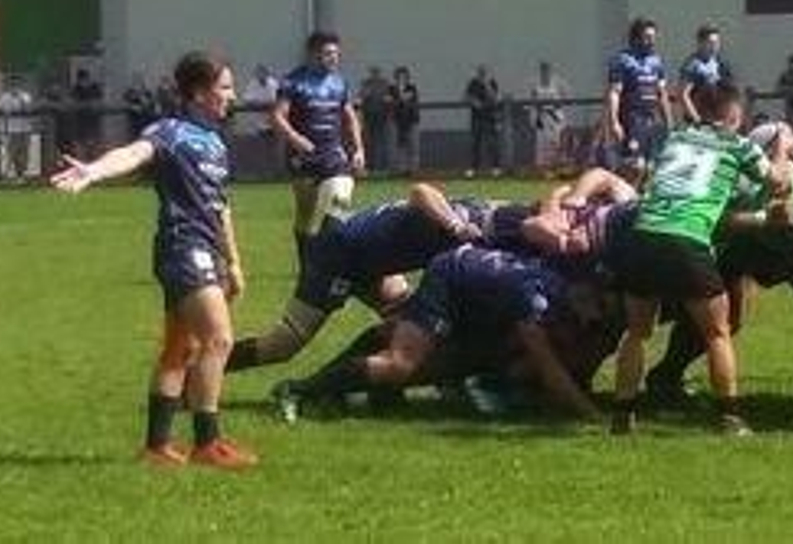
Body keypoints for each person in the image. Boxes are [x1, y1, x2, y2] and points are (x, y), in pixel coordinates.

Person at [49, 51, 257, 469]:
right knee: (219, 340)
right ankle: (207, 443)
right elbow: (132, 153)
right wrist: (92, 171)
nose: (232, 96)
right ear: (199, 93)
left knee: (181, 347)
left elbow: (221, 207)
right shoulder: (171, 132)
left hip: (205, 249)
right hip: (183, 248)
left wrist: (233, 261)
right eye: (225, 87)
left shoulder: (216, 142)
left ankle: (157, 447)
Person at [606, 83, 793, 436]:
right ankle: (730, 417)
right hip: (686, 237)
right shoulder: (738, 145)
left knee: (637, 332)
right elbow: (780, 183)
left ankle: (622, 413)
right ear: (735, 115)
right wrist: (781, 148)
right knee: (717, 332)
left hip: (644, 233)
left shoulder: (675, 138)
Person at [272, 245, 603, 424]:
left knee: (414, 347)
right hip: (450, 277)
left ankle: (346, 390)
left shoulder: (560, 289)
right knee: (402, 363)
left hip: (473, 285)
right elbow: (549, 367)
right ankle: (298, 390)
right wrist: (590, 415)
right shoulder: (536, 300)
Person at [227, 182, 483, 374]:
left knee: (406, 322)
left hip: (375, 259)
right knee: (283, 345)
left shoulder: (485, 220)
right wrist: (456, 227)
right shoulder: (473, 222)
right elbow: (421, 191)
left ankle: (370, 391)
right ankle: (205, 368)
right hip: (339, 255)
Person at [272, 31, 365, 264]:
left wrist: (358, 149)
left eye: (336, 54)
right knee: (305, 213)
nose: (334, 58)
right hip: (303, 157)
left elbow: (350, 117)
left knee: (337, 202)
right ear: (312, 54)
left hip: (333, 154)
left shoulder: (339, 82)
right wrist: (296, 139)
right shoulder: (293, 81)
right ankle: (307, 259)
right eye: (328, 53)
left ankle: (328, 257)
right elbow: (277, 116)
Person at [603, 17, 674, 177]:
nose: (652, 41)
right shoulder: (622, 60)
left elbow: (662, 93)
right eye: (647, 37)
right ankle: (622, 196)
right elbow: (614, 92)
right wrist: (614, 122)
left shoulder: (656, 61)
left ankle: (642, 198)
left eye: (654, 37)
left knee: (651, 166)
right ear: (636, 38)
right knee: (635, 165)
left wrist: (669, 122)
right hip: (631, 118)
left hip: (652, 118)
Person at [677, 23, 732, 123]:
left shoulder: (719, 63)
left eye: (717, 43)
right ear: (700, 43)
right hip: (698, 121)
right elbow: (683, 95)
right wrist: (697, 119)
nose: (714, 47)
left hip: (716, 119)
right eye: (710, 43)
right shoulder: (693, 65)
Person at [530, 61, 571, 175]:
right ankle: (544, 169)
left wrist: (557, 105)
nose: (545, 71)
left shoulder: (558, 82)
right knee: (542, 143)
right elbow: (533, 100)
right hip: (543, 117)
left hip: (555, 117)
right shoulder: (536, 84)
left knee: (556, 141)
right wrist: (537, 116)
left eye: (547, 69)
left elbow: (565, 97)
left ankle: (557, 167)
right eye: (543, 69)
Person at [0, 75, 35, 182]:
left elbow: (28, 109)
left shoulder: (25, 96)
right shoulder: (3, 97)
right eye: (12, 83)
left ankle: (21, 176)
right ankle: (5, 176)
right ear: (9, 84)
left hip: (25, 129)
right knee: (11, 153)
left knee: (24, 153)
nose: (14, 85)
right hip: (11, 130)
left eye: (16, 82)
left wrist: (20, 100)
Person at [464, 65, 503, 177]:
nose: (482, 74)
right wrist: (473, 101)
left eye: (484, 72)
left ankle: (495, 168)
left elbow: (495, 98)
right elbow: (466, 96)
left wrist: (486, 85)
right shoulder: (473, 83)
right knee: (475, 144)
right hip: (477, 118)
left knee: (492, 143)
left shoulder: (492, 82)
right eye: (480, 72)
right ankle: (473, 168)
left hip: (490, 117)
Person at [359, 66, 395, 174]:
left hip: (382, 117)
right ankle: (369, 166)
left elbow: (390, 99)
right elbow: (361, 97)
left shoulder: (385, 84)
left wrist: (387, 100)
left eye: (377, 72)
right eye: (373, 72)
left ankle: (381, 167)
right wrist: (365, 94)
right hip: (368, 116)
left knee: (381, 143)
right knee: (368, 142)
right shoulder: (365, 83)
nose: (375, 74)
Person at [391, 66, 421, 175]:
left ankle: (413, 169)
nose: (401, 78)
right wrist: (398, 98)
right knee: (399, 146)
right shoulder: (391, 88)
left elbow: (405, 98)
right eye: (399, 76)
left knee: (413, 146)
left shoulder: (412, 87)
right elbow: (389, 100)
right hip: (397, 121)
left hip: (412, 120)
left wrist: (397, 98)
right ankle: (400, 169)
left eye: (404, 76)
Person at [70, 69, 105, 160]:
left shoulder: (95, 88)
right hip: (81, 123)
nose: (84, 82)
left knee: (94, 147)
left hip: (93, 122)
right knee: (82, 147)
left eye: (85, 80)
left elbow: (100, 101)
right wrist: (86, 105)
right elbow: (73, 103)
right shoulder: (76, 89)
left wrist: (93, 105)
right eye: (82, 81)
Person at [121, 74, 157, 141]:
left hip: (142, 115)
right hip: (137, 114)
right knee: (134, 127)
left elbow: (150, 102)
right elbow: (126, 97)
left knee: (139, 127)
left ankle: (137, 136)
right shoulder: (133, 92)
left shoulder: (146, 93)